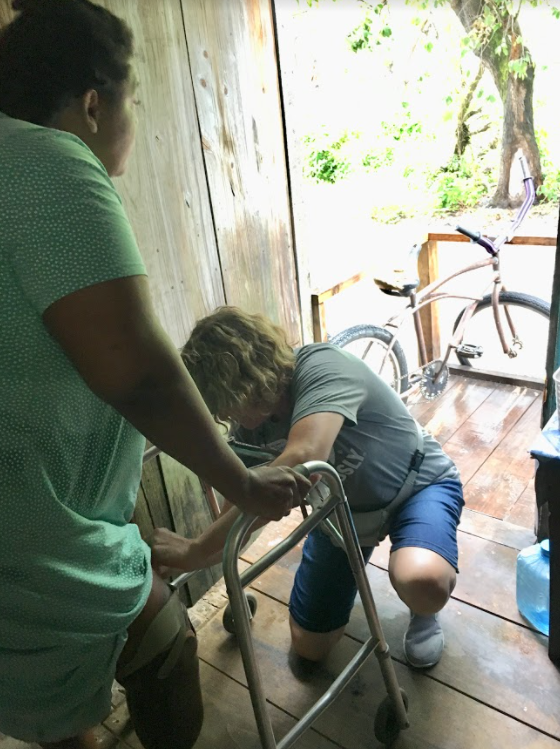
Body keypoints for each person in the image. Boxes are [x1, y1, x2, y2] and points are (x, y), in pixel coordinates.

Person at [0, 3, 309, 749]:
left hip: (32, 514)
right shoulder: (46, 164)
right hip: (36, 528)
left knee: (61, 713)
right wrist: (242, 484)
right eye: (133, 99)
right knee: (164, 654)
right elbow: (137, 371)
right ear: (95, 103)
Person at [150, 306, 465, 670]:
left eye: (228, 402)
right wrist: (200, 554)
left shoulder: (321, 365)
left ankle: (422, 610)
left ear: (247, 378)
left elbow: (304, 456)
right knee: (309, 648)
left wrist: (195, 550)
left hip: (418, 483)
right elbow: (246, 507)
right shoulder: (252, 428)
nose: (227, 416)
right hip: (342, 516)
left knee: (422, 580)